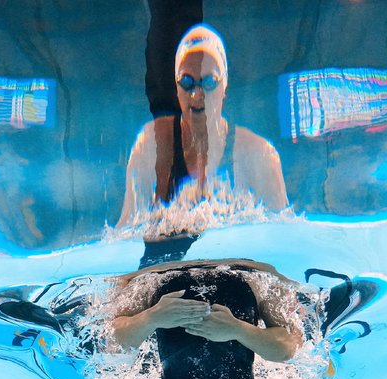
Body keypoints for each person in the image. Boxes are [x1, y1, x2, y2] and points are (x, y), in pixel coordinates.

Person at [117, 24, 288, 228]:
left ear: (225, 86)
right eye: (187, 82)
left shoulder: (259, 155)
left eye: (209, 82)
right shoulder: (152, 145)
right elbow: (127, 231)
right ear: (176, 87)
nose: (197, 95)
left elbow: (282, 235)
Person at [110, 258, 303, 379]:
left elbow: (113, 342)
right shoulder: (259, 277)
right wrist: (239, 329)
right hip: (240, 256)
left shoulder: (146, 283)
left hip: (161, 260)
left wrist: (152, 317)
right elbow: (288, 346)